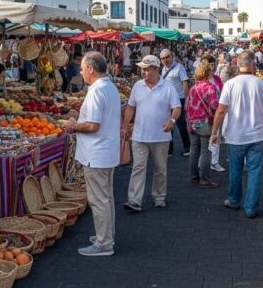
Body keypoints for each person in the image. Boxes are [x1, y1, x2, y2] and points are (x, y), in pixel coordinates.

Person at [62, 52, 121, 256]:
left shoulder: (97, 91)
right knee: (106, 197)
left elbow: (92, 125)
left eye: (82, 68)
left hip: (97, 153)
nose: (80, 72)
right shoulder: (109, 87)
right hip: (106, 151)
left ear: (90, 69)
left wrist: (73, 126)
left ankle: (104, 243)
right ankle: (107, 235)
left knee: (99, 199)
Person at [210, 50, 263, 218]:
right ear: (253, 64)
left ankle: (234, 200)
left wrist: (214, 132)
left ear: (238, 63)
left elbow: (221, 110)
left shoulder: (230, 84)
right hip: (256, 135)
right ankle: (251, 207)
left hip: (235, 135)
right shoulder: (262, 84)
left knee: (236, 170)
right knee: (254, 172)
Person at [122, 55, 182, 212]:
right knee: (138, 168)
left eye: (146, 69)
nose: (143, 72)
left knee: (160, 169)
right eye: (142, 69)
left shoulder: (167, 86)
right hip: (139, 136)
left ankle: (159, 196)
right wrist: (125, 126)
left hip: (161, 136)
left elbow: (177, 107)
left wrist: (172, 121)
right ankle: (134, 200)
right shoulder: (137, 86)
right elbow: (130, 107)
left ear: (155, 69)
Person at [187, 61, 221, 188]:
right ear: (208, 73)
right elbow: (214, 105)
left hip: (193, 122)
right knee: (205, 151)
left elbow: (188, 105)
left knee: (194, 149)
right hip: (205, 122)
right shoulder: (210, 88)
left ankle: (194, 175)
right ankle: (205, 179)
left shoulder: (193, 87)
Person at [159, 48, 191, 156]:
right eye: (163, 58)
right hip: (167, 101)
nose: (165, 60)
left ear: (171, 56)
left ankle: (187, 147)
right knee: (169, 124)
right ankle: (169, 149)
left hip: (179, 99)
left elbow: (185, 83)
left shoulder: (179, 67)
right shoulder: (163, 69)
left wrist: (186, 99)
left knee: (181, 124)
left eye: (167, 57)